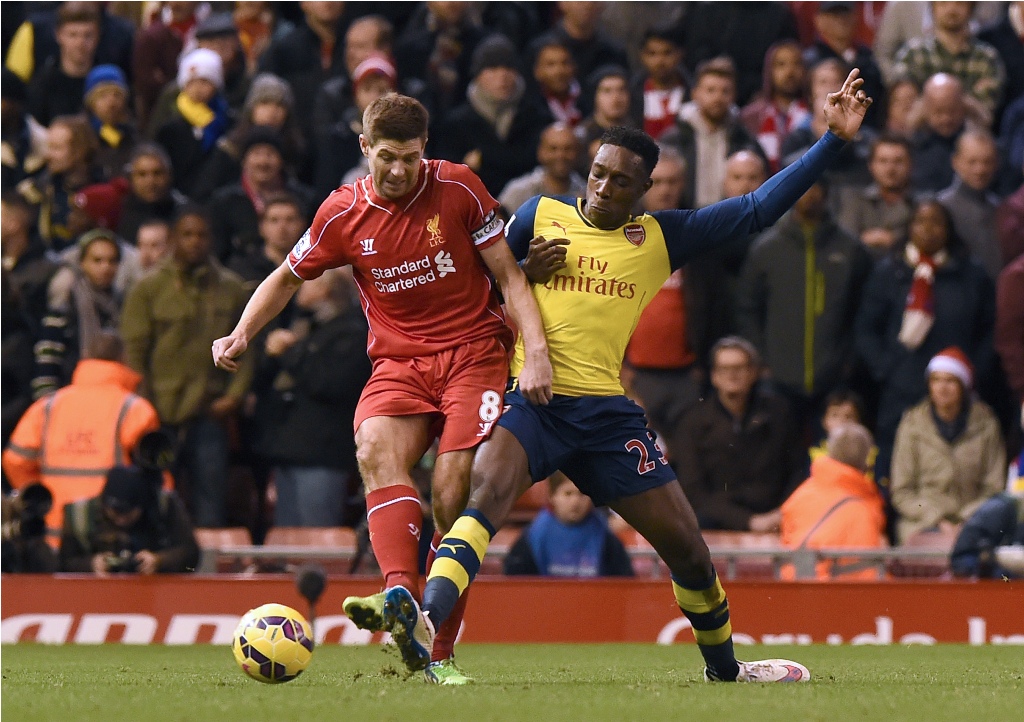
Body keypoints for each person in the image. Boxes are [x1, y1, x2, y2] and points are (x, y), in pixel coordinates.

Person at [384, 69, 873, 682]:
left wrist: (832, 141)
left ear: (644, 188)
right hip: (533, 402)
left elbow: (755, 210)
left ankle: (726, 672)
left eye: (620, 180)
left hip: (606, 418)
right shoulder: (539, 215)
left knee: (690, 551)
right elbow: (474, 289)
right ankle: (425, 629)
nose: (602, 187)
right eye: (597, 172)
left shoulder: (660, 239)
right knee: (481, 501)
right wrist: (524, 270)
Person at [211, 93, 552, 685]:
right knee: (373, 448)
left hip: (475, 354)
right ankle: (399, 594)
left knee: (451, 494)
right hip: (398, 363)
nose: (399, 170)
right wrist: (240, 333)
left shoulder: (460, 188)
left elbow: (510, 276)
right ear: (365, 148)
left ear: (427, 150)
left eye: (411, 158)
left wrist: (537, 353)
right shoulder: (340, 215)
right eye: (387, 157)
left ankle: (440, 649)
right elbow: (286, 278)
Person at [121, 206, 253, 528]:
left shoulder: (231, 288)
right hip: (159, 414)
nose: (194, 242)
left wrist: (234, 397)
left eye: (201, 235)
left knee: (211, 496)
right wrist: (144, 403)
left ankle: (207, 572)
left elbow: (248, 348)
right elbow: (134, 351)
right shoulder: (148, 289)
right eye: (187, 234)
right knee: (156, 496)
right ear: (173, 240)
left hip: (209, 411)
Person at [854, 199, 996, 485]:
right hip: (901, 389)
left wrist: (973, 373)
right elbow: (867, 329)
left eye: (936, 222)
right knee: (896, 473)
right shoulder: (888, 272)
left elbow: (988, 330)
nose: (928, 230)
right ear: (909, 228)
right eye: (920, 221)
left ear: (949, 229)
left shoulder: (971, 274)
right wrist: (885, 368)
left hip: (955, 393)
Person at [736, 178, 872, 434]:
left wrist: (850, 360)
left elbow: (865, 312)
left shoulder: (851, 250)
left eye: (813, 186)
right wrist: (761, 360)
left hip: (834, 380)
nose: (807, 194)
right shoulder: (766, 249)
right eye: (801, 186)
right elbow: (747, 308)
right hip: (778, 378)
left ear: (826, 192)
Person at [2, 331, 161, 541]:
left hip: (53, 532)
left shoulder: (47, 406)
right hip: (110, 534)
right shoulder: (136, 410)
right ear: (124, 359)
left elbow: (15, 460)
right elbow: (155, 477)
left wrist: (43, 500)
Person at [674, 336, 805, 532]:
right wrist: (748, 521)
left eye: (739, 368)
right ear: (714, 376)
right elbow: (692, 490)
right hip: (716, 520)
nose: (732, 375)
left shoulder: (779, 414)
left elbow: (797, 471)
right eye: (725, 369)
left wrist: (781, 513)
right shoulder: (693, 421)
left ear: (754, 373)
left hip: (776, 515)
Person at [889, 347, 1006, 544]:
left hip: (974, 520)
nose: (942, 388)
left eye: (950, 381)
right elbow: (902, 492)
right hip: (921, 520)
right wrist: (936, 518)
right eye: (936, 380)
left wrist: (967, 519)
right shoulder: (912, 426)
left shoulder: (986, 425)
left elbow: (994, 488)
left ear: (963, 386)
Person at [780, 422, 887, 580]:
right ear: (866, 460)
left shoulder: (801, 494)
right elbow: (867, 578)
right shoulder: (862, 512)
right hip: (827, 596)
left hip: (790, 586)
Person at [661, 57, 765, 210]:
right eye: (710, 90)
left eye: (725, 91)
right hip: (683, 219)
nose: (718, 97)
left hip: (730, 218)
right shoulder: (673, 140)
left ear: (734, 95)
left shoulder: (745, 140)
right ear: (695, 93)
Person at [60, 464, 199, 575]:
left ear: (142, 506)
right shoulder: (80, 515)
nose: (121, 520)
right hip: (95, 596)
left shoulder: (165, 507)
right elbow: (62, 565)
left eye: (127, 514)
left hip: (157, 593)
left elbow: (192, 558)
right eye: (115, 512)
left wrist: (160, 561)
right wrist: (90, 565)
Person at [503, 472, 633, 577]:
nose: (575, 502)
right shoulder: (532, 537)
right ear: (552, 496)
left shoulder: (607, 539)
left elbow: (623, 583)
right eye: (568, 494)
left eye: (582, 494)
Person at [835, 133, 915, 261]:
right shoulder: (854, 200)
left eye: (898, 161)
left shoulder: (921, 205)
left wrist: (893, 240)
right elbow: (844, 243)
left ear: (910, 165)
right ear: (871, 165)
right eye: (883, 161)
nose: (890, 169)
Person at [937, 130, 1002, 280]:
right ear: (955, 162)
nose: (980, 170)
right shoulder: (941, 208)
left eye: (987, 162)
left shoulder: (1000, 208)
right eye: (972, 162)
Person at [498, 122, 586, 218]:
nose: (560, 155)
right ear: (541, 152)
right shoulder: (518, 192)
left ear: (578, 153)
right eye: (553, 149)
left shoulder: (586, 194)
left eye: (568, 149)